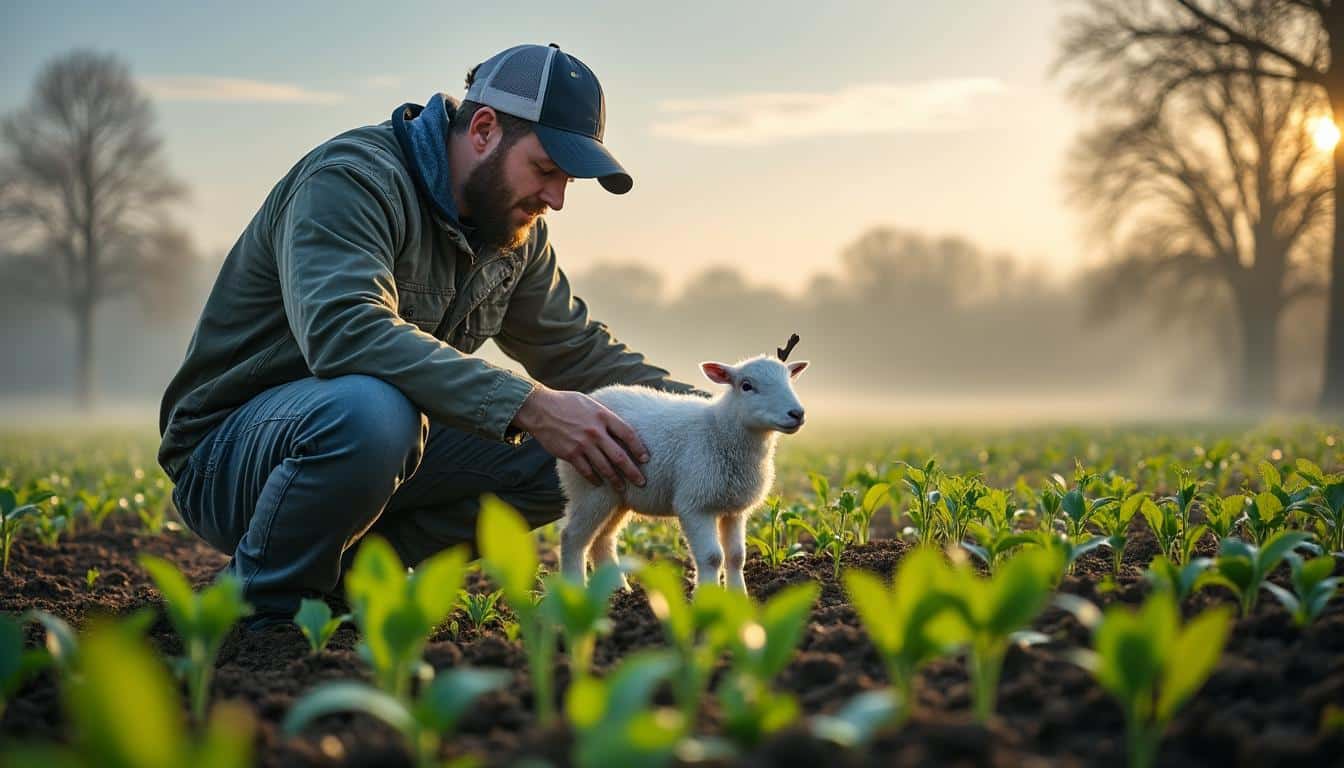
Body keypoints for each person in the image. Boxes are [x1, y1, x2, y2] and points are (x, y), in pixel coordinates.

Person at [157, 43, 703, 626]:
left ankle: (354, 575)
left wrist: (714, 416)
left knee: (588, 441)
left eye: (567, 180)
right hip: (232, 457)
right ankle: (258, 609)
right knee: (373, 409)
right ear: (485, 130)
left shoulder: (514, 234)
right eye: (546, 170)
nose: (557, 200)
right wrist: (530, 404)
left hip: (382, 448)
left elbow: (576, 350)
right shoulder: (352, 180)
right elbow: (346, 330)